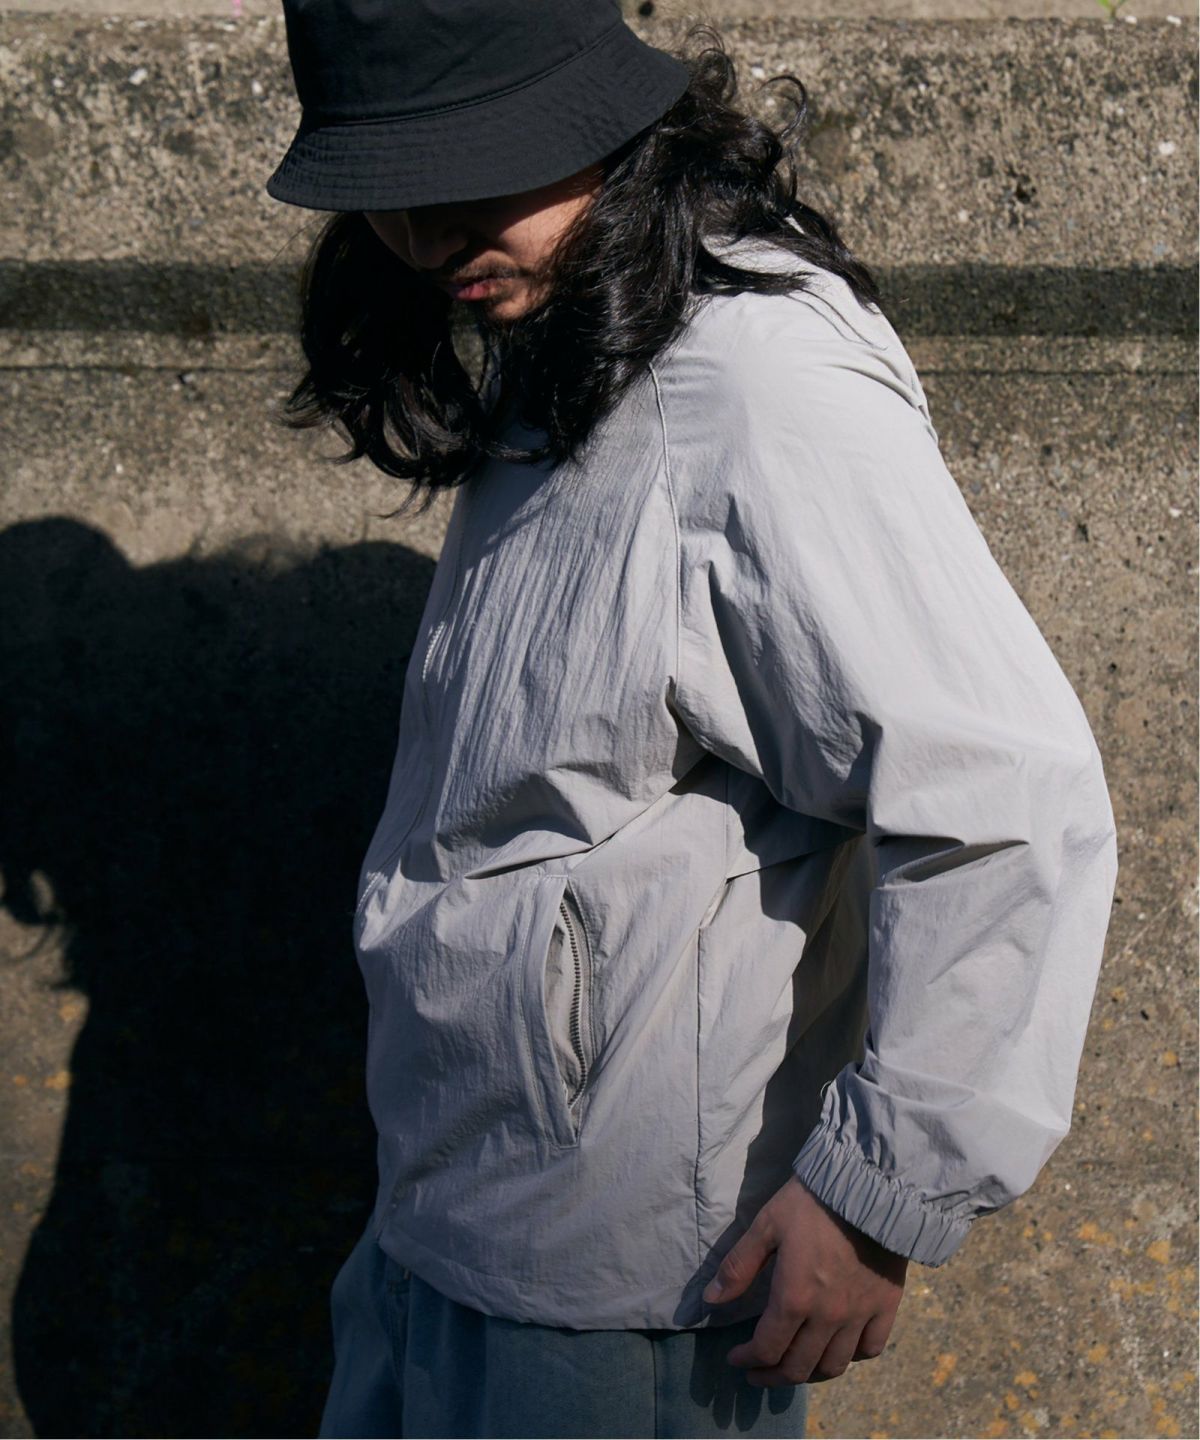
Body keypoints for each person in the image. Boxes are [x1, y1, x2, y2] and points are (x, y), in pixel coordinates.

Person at [265, 2, 1120, 1436]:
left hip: (622, 1285)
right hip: (451, 1213)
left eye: (471, 169)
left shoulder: (754, 383)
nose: (423, 233)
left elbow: (1005, 800)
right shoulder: (575, 325)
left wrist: (877, 1194)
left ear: (605, 117)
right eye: (388, 188)